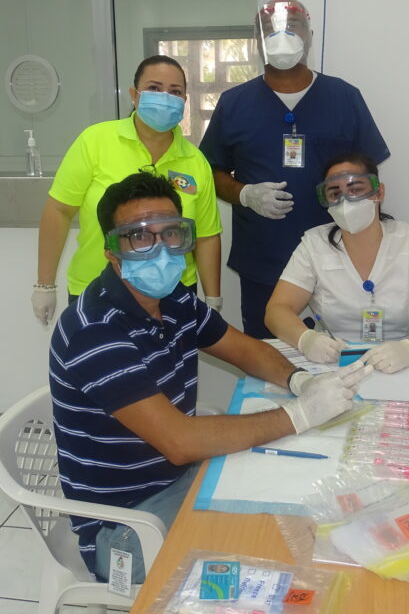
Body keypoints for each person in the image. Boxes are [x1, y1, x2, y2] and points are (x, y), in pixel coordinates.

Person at [49, 171, 372, 582]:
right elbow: (181, 442)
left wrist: (300, 381)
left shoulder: (173, 298)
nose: (160, 249)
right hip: (125, 528)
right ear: (113, 251)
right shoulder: (95, 331)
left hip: (179, 477)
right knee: (272, 545)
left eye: (171, 233)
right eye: (140, 237)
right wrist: (300, 414)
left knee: (304, 501)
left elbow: (244, 349)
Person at [200, 0, 390, 338]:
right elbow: (208, 171)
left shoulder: (344, 97)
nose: (281, 35)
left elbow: (368, 174)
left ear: (309, 36)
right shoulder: (234, 104)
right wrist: (244, 194)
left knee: (341, 347)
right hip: (263, 259)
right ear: (257, 40)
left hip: (339, 256)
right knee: (268, 352)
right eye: (270, 28)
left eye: (292, 26)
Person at [32, 56, 222, 326]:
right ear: (134, 95)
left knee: (173, 356)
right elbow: (58, 210)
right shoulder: (95, 141)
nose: (165, 97)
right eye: (154, 88)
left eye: (175, 91)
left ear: (184, 101)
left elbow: (206, 236)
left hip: (173, 292)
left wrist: (213, 299)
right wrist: (45, 284)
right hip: (99, 289)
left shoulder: (195, 161)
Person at [264, 153, 409, 373]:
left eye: (355, 189)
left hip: (405, 366)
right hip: (334, 362)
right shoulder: (314, 244)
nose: (345, 200)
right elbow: (277, 310)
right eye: (335, 193)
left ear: (379, 192)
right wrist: (306, 339)